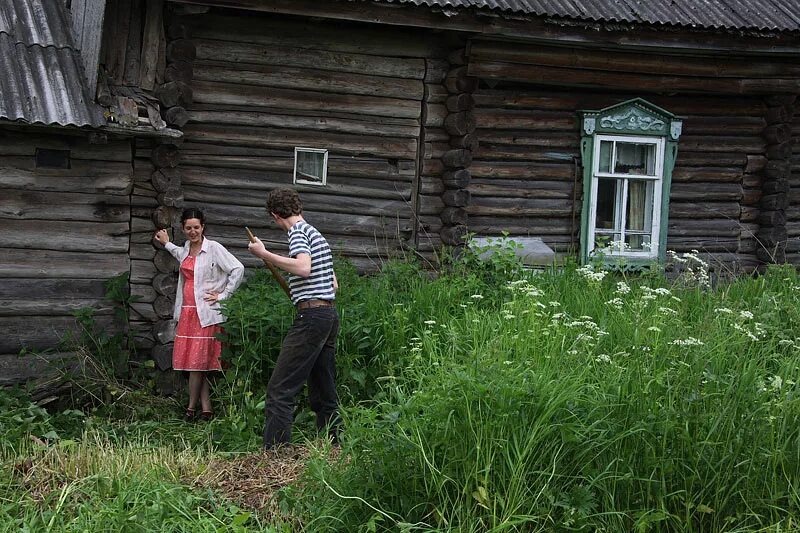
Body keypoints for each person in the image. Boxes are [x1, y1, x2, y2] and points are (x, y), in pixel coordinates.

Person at [247, 188, 340, 449]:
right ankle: (333, 445)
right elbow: (333, 284)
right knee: (324, 387)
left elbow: (303, 267)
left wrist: (264, 254)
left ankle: (276, 455)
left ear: (276, 216)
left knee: (280, 389)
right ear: (298, 208)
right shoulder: (316, 234)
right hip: (328, 315)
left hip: (311, 317)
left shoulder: (297, 233)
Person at [154, 208, 244, 422]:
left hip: (205, 313)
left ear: (203, 227)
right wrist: (166, 243)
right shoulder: (185, 248)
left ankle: (190, 408)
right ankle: (206, 408)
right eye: (188, 228)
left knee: (197, 363)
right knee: (196, 362)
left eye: (196, 227)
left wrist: (223, 295)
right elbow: (180, 255)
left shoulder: (213, 248)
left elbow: (237, 268)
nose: (192, 231)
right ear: (183, 229)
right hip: (187, 312)